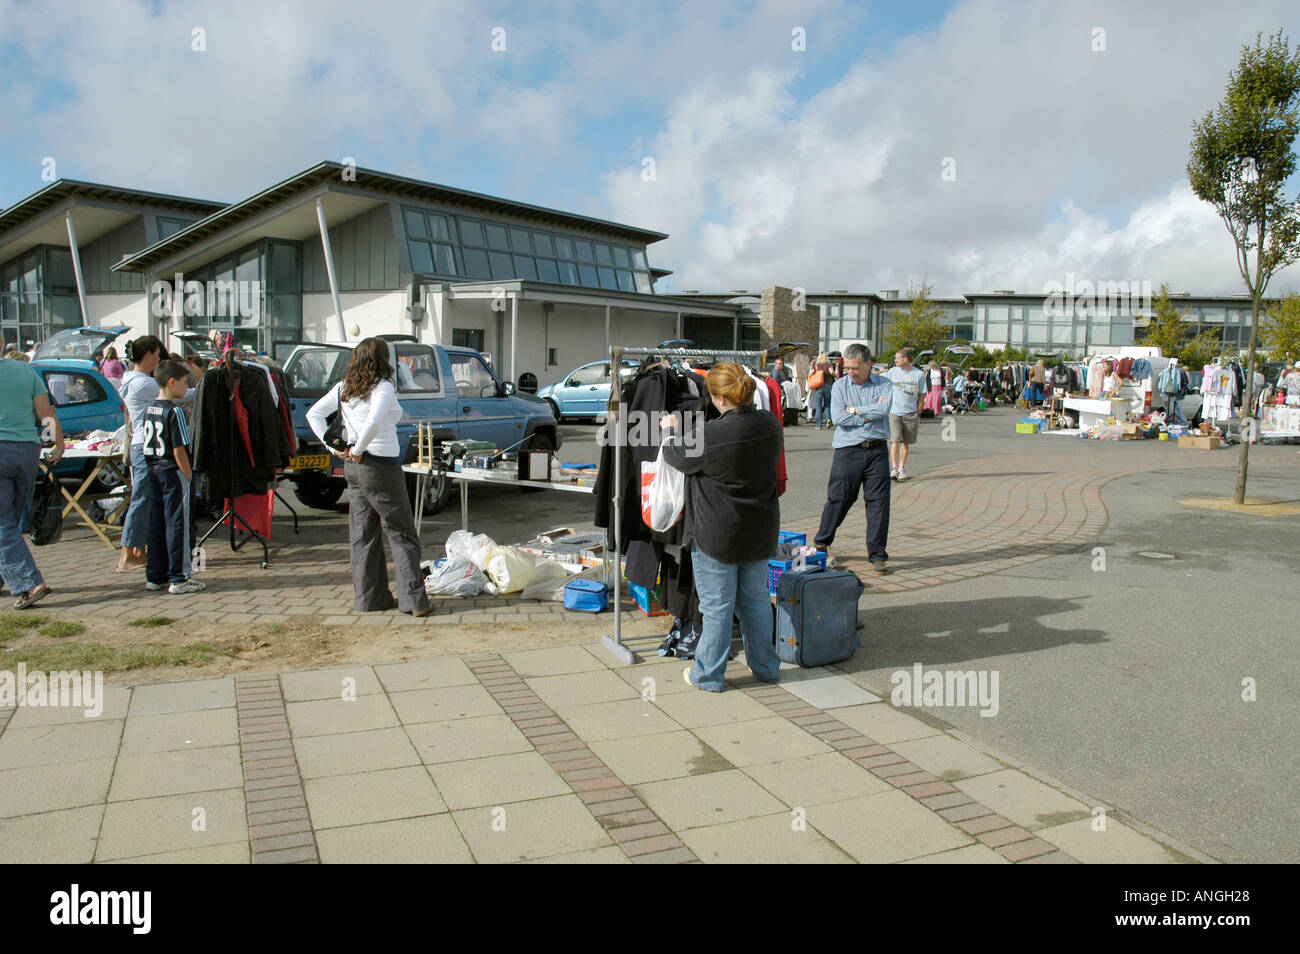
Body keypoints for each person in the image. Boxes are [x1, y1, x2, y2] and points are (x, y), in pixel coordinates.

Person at [660, 363, 781, 692]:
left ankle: (708, 676)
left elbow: (676, 456)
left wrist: (670, 428)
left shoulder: (711, 435)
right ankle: (767, 667)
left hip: (717, 534)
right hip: (759, 529)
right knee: (755, 601)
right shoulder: (770, 424)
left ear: (719, 398)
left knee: (716, 608)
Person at [307, 338, 430, 616]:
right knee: (401, 533)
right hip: (380, 466)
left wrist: (336, 448)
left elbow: (313, 414)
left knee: (363, 535)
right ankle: (414, 601)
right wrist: (359, 450)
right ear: (383, 360)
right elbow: (374, 421)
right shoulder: (383, 387)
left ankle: (369, 599)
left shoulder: (343, 387)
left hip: (353, 468)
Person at [814, 343, 893, 574]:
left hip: (877, 450)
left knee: (878, 503)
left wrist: (855, 410)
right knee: (839, 498)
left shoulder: (885, 384)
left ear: (869, 364)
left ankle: (877, 554)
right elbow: (838, 417)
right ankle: (822, 540)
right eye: (847, 368)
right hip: (848, 450)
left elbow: (884, 410)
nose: (850, 372)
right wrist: (868, 413)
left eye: (855, 368)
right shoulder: (839, 386)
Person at [0, 354, 64, 609]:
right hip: (27, 451)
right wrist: (55, 443)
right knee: (10, 521)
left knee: (3, 524)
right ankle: (8, 574)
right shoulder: (26, 371)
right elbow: (45, 413)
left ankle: (29, 582)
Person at [141, 360, 204, 595]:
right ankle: (180, 577)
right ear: (171, 381)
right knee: (179, 523)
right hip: (172, 472)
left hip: (153, 470)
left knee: (156, 522)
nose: (186, 388)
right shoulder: (175, 411)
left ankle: (155, 575)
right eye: (184, 383)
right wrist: (188, 476)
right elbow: (180, 450)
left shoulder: (150, 409)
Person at [116, 335, 165, 572]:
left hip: (142, 444)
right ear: (148, 356)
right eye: (156, 355)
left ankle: (137, 551)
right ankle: (128, 553)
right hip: (144, 445)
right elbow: (176, 394)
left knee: (144, 498)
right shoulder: (142, 383)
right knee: (142, 498)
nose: (158, 360)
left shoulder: (131, 379)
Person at [884, 348, 926, 481]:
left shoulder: (918, 374)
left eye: (897, 358)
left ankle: (902, 468)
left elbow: (922, 394)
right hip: (894, 411)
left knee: (906, 442)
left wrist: (918, 411)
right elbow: (885, 387)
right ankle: (894, 468)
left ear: (906, 359)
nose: (895, 360)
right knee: (894, 440)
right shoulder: (892, 372)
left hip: (910, 412)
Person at [810, 351, 836, 428]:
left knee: (818, 405)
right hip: (828, 385)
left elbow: (811, 374)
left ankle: (819, 425)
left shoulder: (817, 365)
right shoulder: (829, 364)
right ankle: (828, 419)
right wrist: (835, 375)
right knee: (827, 404)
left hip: (819, 386)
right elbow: (832, 372)